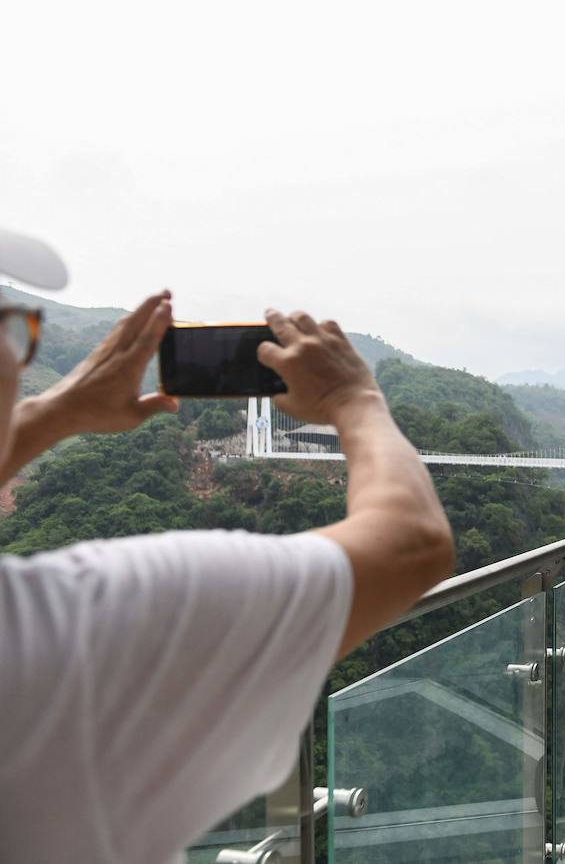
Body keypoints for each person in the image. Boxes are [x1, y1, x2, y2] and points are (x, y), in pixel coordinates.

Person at [0, 226, 455, 863]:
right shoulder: (74, 627)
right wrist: (355, 399)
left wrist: (48, 415)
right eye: (10, 329)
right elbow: (413, 544)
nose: (17, 350)